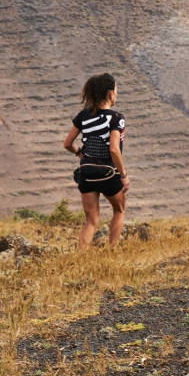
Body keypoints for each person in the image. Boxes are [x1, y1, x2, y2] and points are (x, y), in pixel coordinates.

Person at [63, 73, 128, 249]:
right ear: (110, 94)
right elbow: (114, 149)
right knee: (119, 210)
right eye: (116, 91)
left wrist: (80, 153)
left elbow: (67, 144)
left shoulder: (83, 116)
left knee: (91, 220)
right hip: (108, 172)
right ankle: (112, 251)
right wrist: (123, 175)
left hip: (86, 173)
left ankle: (80, 257)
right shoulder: (116, 118)